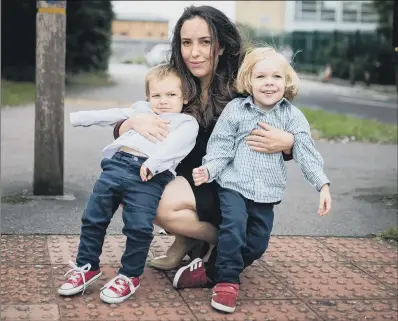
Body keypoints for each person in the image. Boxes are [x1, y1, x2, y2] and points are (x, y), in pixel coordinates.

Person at [113, 5, 295, 272]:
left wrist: (289, 143)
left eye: (205, 42)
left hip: (230, 188)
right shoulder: (176, 82)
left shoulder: (245, 86)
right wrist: (127, 124)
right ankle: (196, 239)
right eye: (187, 42)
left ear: (221, 46)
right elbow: (138, 117)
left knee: (158, 202)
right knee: (127, 186)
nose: (194, 52)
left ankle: (225, 242)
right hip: (190, 179)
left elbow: (287, 128)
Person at [188, 46, 332, 313]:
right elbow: (221, 146)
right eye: (261, 77)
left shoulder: (291, 116)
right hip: (233, 184)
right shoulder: (236, 110)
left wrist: (322, 185)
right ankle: (227, 283)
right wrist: (208, 169)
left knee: (257, 243)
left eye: (276, 77)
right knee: (234, 229)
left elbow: (306, 152)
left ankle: (209, 271)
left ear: (286, 81)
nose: (269, 83)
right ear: (248, 81)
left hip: (267, 192)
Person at [58, 64, 199, 304]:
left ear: (184, 97)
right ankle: (86, 266)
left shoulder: (186, 122)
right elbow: (114, 113)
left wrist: (153, 165)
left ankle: (129, 276)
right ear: (147, 97)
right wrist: (79, 119)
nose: (163, 101)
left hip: (149, 175)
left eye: (171, 95)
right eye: (156, 95)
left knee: (138, 228)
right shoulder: (142, 110)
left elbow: (176, 148)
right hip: (116, 166)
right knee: (93, 218)